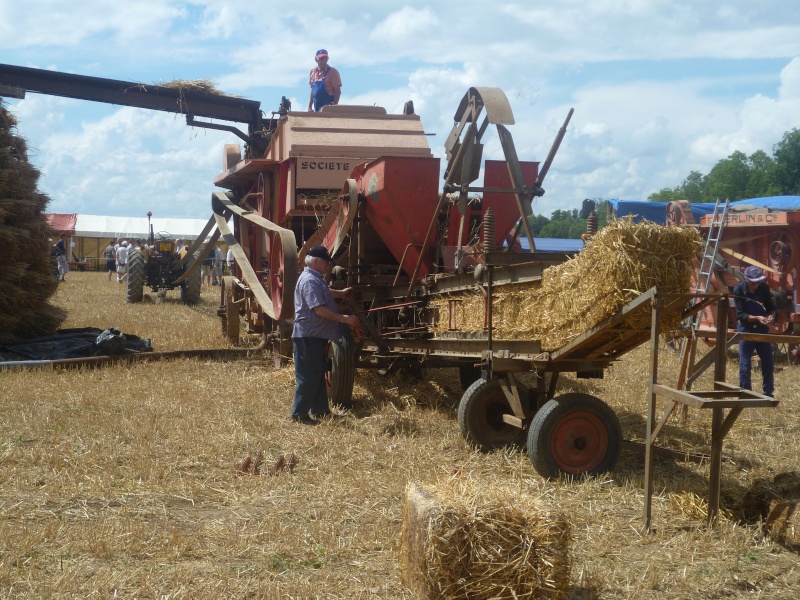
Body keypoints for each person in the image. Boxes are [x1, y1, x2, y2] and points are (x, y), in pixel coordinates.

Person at [291, 245, 360, 424]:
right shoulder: (308, 280)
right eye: (326, 262)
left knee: (317, 375)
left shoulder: (315, 279)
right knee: (308, 377)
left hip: (316, 335)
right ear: (315, 261)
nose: (329, 266)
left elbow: (324, 292)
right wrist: (344, 319)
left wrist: (341, 293)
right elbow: (319, 309)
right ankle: (299, 415)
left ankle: (321, 412)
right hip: (308, 336)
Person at [733, 266, 777, 397]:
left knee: (768, 364)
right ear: (746, 279)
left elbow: (771, 307)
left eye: (758, 282)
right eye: (753, 282)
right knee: (745, 365)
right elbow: (740, 315)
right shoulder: (738, 290)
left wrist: (771, 316)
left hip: (762, 330)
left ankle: (768, 393)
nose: (756, 285)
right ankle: (746, 393)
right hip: (746, 330)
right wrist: (757, 317)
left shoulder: (764, 288)